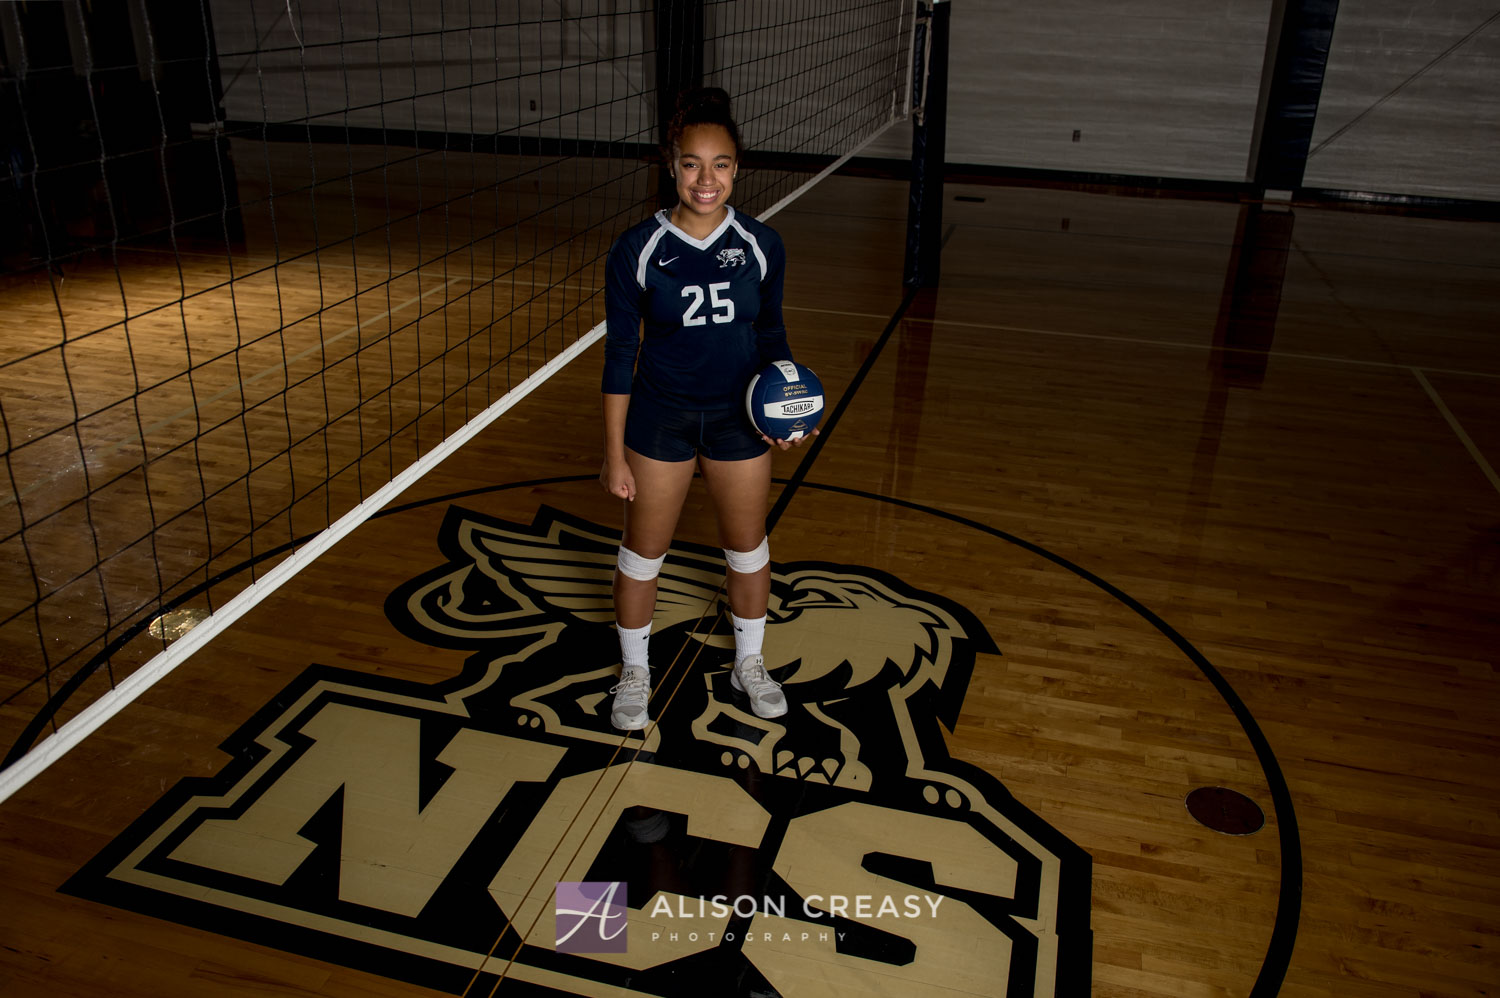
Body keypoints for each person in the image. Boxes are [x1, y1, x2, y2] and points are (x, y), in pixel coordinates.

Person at [599, 87, 815, 731]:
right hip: (659, 417)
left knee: (747, 549)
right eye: (692, 163)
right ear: (671, 164)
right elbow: (618, 356)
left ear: (737, 168)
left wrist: (786, 407)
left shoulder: (761, 244)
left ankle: (750, 662)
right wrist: (614, 453)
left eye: (720, 164)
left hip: (738, 419)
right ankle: (635, 671)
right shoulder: (637, 248)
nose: (706, 179)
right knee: (643, 554)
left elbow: (772, 334)